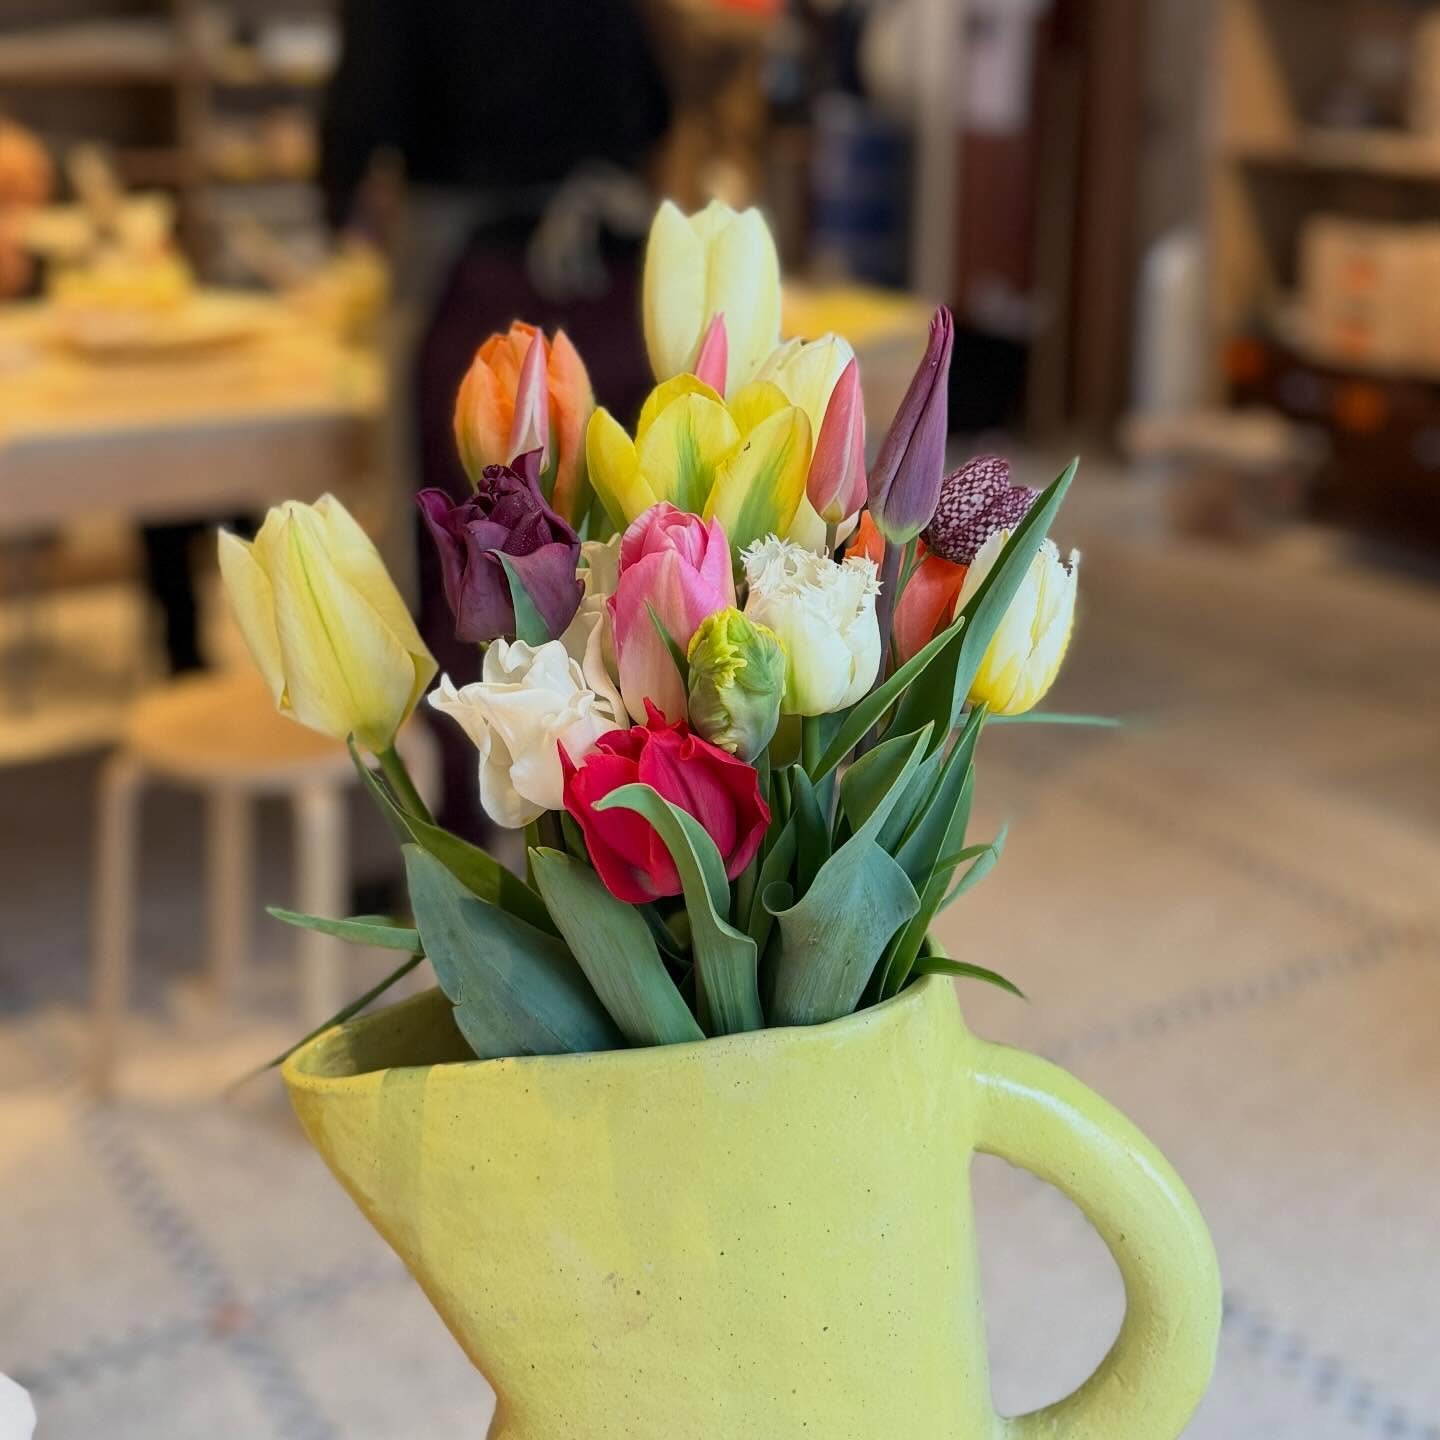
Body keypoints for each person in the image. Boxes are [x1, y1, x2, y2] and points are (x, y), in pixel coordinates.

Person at [322, 0, 673, 837]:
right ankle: (629, 832)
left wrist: (344, 215)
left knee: (470, 579)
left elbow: (356, 119)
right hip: (612, 293)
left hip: (473, 284)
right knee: (625, 565)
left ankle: (466, 838)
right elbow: (655, 103)